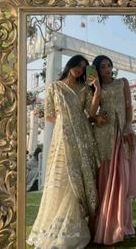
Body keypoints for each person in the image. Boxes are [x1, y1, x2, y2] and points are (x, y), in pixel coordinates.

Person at [27, 54, 101, 249]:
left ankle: (79, 223)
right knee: (63, 176)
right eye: (77, 65)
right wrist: (64, 124)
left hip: (83, 136)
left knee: (81, 175)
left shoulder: (85, 89)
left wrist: (97, 90)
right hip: (63, 136)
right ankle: (60, 227)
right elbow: (49, 115)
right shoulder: (54, 87)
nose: (79, 69)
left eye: (83, 67)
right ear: (70, 65)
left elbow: (91, 114)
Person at [91, 55, 136, 245]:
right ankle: (107, 224)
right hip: (103, 135)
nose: (107, 69)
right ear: (97, 69)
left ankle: (123, 224)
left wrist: (128, 127)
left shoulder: (122, 82)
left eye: (109, 65)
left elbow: (129, 106)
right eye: (103, 66)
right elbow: (92, 114)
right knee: (106, 179)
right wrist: (96, 89)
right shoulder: (96, 88)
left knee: (122, 179)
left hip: (122, 133)